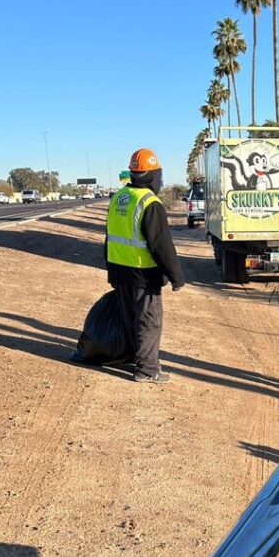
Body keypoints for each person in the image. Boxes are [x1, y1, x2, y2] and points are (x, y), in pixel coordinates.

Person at [105, 148, 185, 383]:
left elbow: (110, 236)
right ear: (152, 176)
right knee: (149, 320)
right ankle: (147, 369)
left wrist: (110, 269)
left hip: (120, 269)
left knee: (130, 318)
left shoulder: (119, 198)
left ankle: (137, 359)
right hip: (143, 273)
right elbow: (161, 245)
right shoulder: (150, 202)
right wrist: (176, 276)